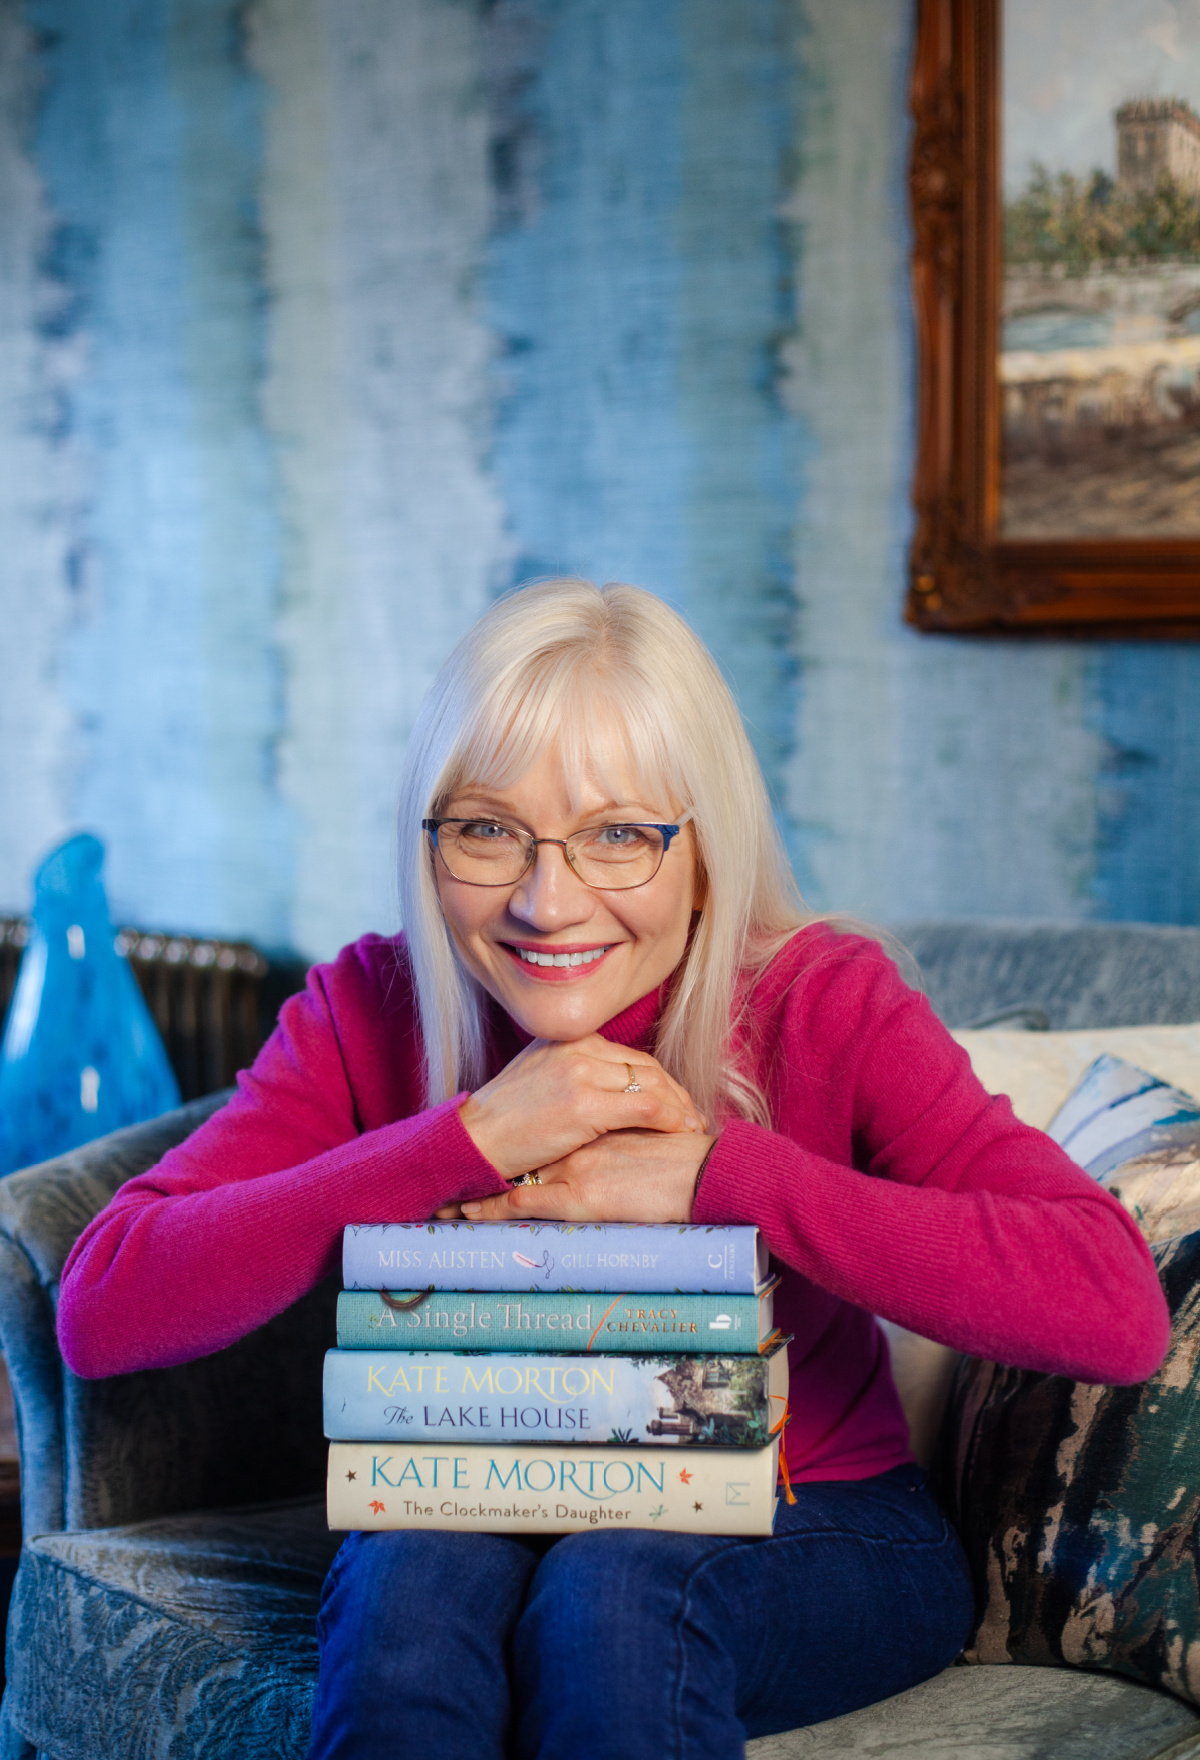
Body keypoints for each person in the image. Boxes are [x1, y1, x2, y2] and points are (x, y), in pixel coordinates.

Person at [57, 580, 1169, 1760]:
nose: (548, 899)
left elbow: (1111, 1305)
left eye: (619, 834)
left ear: (703, 853)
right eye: (487, 828)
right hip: (467, 1495)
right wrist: (463, 1138)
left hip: (818, 1520)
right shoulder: (366, 1008)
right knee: (410, 1589)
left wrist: (718, 1180)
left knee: (618, 1593)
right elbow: (105, 1304)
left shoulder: (817, 1001)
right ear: (428, 839)